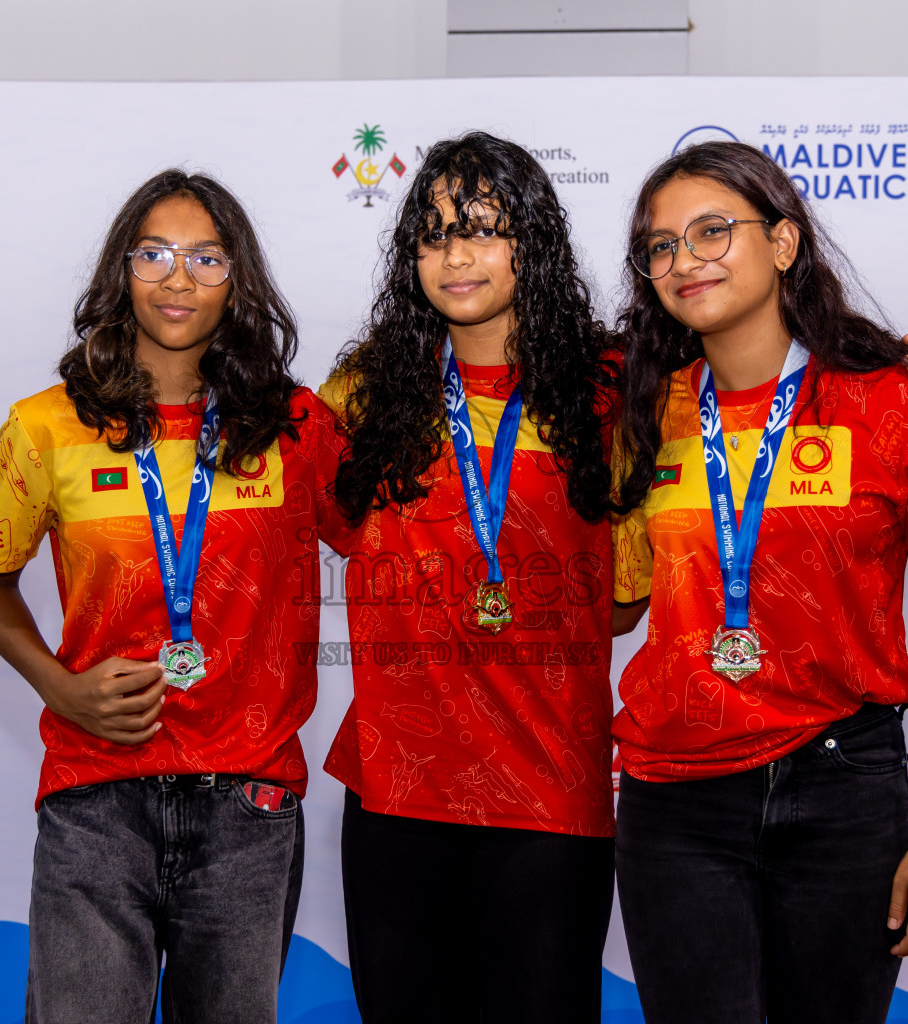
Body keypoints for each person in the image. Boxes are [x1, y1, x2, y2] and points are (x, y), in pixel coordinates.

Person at [610, 141, 908, 1024]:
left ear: (784, 244)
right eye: (662, 246)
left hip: (843, 787)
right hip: (678, 797)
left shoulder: (895, 406)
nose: (686, 259)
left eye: (713, 231)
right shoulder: (638, 406)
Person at [0, 170, 344, 1024]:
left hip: (249, 803)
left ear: (238, 281)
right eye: (156, 253)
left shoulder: (296, 425)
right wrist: (59, 686)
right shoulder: (47, 425)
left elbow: (391, 533)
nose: (179, 278)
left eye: (207, 258)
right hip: (97, 792)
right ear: (120, 270)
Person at [317, 132, 621, 1024]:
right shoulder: (364, 391)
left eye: (484, 229)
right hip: (397, 792)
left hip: (549, 794)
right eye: (436, 233)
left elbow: (752, 399)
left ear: (534, 242)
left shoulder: (612, 388)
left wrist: (896, 375)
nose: (456, 255)